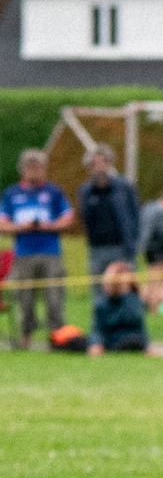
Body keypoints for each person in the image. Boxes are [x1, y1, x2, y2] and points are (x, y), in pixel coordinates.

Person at [1, 148, 74, 347]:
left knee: (54, 297)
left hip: (50, 253)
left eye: (38, 167)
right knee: (24, 298)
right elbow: (2, 223)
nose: (33, 171)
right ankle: (26, 337)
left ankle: (57, 337)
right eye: (30, 167)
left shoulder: (53, 192)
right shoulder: (12, 194)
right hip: (23, 253)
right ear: (22, 169)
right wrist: (21, 227)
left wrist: (47, 226)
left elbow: (68, 218)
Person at [79, 145, 141, 289]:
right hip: (97, 249)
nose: (100, 167)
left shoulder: (124, 187)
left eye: (103, 162)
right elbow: (85, 218)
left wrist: (134, 242)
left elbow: (135, 215)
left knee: (126, 289)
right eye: (95, 164)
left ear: (110, 164)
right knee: (99, 289)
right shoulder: (86, 191)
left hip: (122, 248)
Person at [87, 260, 149, 354]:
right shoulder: (101, 302)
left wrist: (125, 293)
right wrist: (96, 344)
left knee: (133, 341)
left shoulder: (133, 299)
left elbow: (134, 320)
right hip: (109, 341)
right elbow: (97, 329)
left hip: (130, 339)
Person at [136, 190, 163, 310]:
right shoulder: (158, 211)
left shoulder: (151, 209)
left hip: (155, 249)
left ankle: (148, 302)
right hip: (155, 249)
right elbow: (151, 231)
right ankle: (154, 307)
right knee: (156, 279)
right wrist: (142, 247)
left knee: (156, 277)